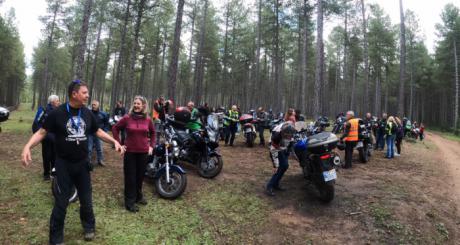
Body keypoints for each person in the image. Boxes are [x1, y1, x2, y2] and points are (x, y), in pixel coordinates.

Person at [21, 80, 124, 244]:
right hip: (63, 165)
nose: (87, 95)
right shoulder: (58, 113)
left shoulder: (87, 113)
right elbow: (41, 132)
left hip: (83, 164)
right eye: (84, 92)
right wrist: (27, 146)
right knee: (61, 203)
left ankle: (89, 227)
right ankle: (56, 238)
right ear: (74, 94)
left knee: (86, 199)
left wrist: (114, 142)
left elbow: (97, 131)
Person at [112, 96, 155, 213]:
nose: (136, 105)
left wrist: (151, 146)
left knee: (140, 176)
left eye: (138, 104)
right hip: (130, 152)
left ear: (143, 106)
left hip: (143, 153)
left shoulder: (148, 120)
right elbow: (115, 128)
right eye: (135, 103)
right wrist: (119, 143)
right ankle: (129, 202)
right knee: (130, 177)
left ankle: (138, 196)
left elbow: (153, 132)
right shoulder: (127, 118)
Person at [32, 95, 61, 180]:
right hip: (46, 138)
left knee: (55, 156)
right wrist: (41, 137)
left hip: (56, 138)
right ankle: (46, 174)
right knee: (47, 156)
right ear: (52, 102)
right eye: (57, 101)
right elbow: (36, 124)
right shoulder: (43, 110)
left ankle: (54, 172)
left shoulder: (58, 111)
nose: (59, 102)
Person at [265, 122, 296, 196]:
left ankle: (276, 184)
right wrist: (276, 165)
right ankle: (269, 187)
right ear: (282, 132)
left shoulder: (291, 131)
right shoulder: (276, 137)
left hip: (283, 148)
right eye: (286, 136)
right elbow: (273, 151)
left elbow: (290, 144)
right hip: (275, 149)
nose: (288, 137)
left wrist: (290, 153)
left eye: (289, 136)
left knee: (285, 166)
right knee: (279, 168)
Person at [88, 100, 110, 167]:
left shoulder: (103, 114)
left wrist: (105, 131)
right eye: (92, 105)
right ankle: (88, 161)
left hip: (99, 134)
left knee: (99, 148)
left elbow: (106, 123)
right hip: (90, 133)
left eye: (95, 105)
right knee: (89, 148)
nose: (93, 106)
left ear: (98, 105)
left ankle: (100, 160)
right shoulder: (89, 113)